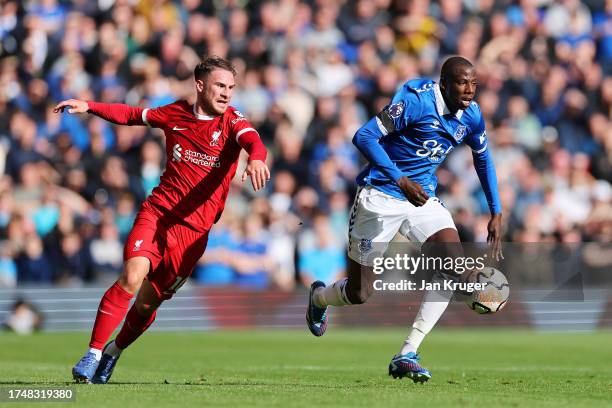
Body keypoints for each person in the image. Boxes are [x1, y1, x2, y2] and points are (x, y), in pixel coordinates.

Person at [56, 56, 270, 384]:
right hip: (158, 213)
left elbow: (253, 141)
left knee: (145, 304)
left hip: (193, 235)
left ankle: (113, 352)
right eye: (220, 86)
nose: (226, 93)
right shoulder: (175, 114)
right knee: (132, 274)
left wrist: (256, 159)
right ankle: (93, 353)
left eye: (231, 87)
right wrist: (89, 105)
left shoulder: (232, 122)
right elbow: (131, 115)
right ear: (200, 85)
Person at [306, 56, 503, 383]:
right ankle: (319, 297)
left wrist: (495, 209)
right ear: (444, 83)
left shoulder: (472, 115)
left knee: (452, 265)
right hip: (380, 198)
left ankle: (407, 352)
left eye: (473, 84)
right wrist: (399, 179)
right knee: (359, 293)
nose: (469, 91)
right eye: (461, 83)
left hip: (422, 198)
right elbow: (364, 136)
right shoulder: (416, 103)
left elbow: (483, 158)